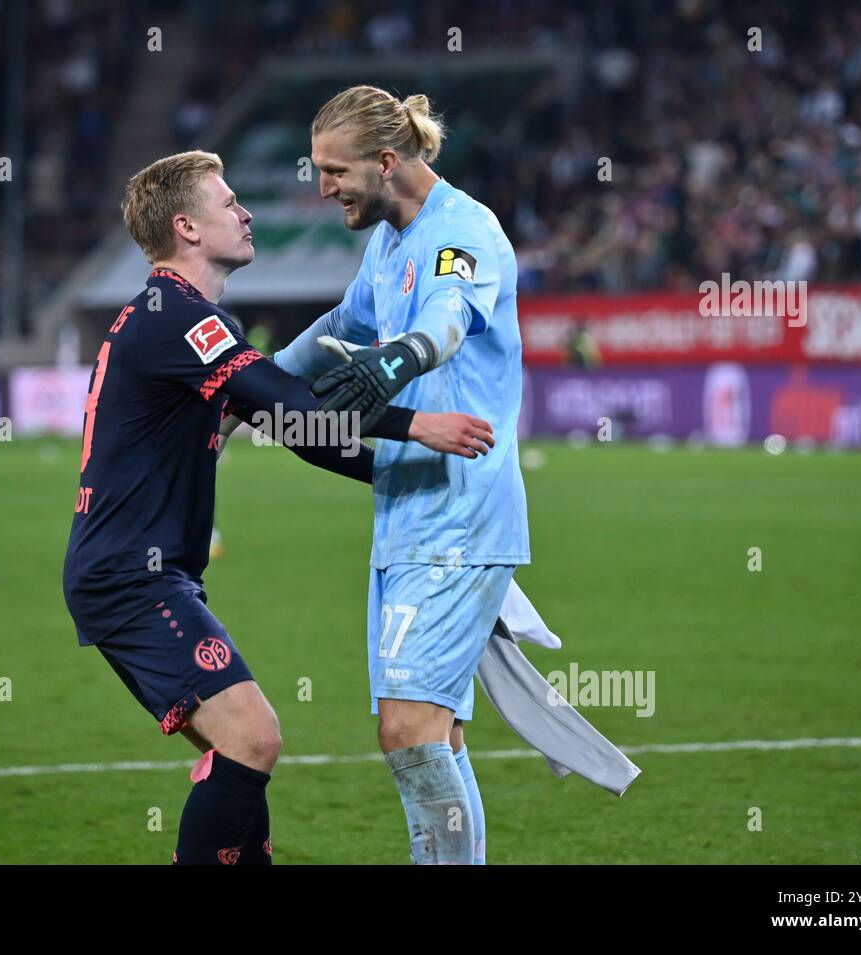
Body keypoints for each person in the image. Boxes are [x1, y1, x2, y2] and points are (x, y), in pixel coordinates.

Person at [62, 149, 495, 864]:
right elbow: (290, 399)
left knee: (241, 754)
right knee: (253, 735)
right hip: (129, 579)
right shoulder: (178, 315)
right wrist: (413, 424)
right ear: (187, 228)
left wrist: (395, 475)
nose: (246, 210)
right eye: (229, 202)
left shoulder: (177, 317)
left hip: (139, 574)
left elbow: (296, 429)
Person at [275, 86, 530, 864]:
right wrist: (246, 388)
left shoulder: (465, 230)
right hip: (405, 514)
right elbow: (338, 329)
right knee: (434, 732)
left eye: (333, 171)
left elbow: (447, 318)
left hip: (459, 519)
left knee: (408, 730)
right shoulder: (387, 242)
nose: (323, 188)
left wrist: (400, 359)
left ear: (387, 162)